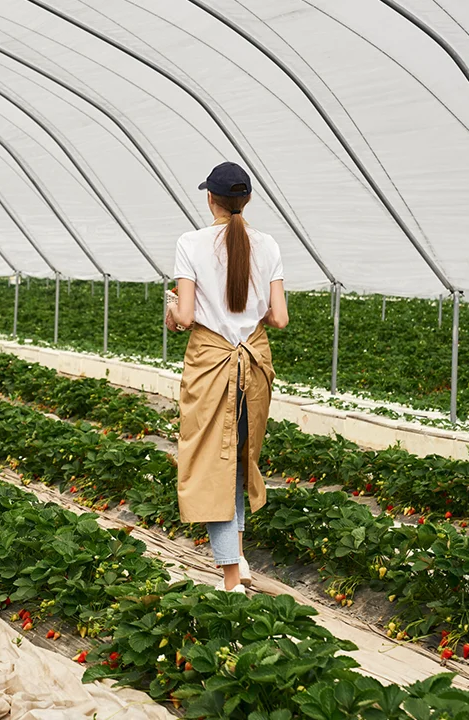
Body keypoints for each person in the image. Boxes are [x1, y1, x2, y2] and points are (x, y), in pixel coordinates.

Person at [165, 161, 288, 593]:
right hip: (253, 361)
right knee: (238, 457)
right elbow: (280, 318)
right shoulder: (268, 244)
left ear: (210, 199)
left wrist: (170, 313)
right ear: (248, 199)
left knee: (211, 462)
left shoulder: (191, 243)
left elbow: (183, 315)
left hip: (211, 362)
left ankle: (231, 579)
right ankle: (238, 558)